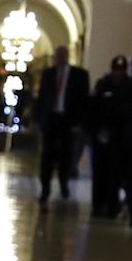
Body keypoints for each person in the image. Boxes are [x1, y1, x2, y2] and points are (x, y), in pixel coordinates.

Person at [34, 45, 91, 206]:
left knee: (66, 155)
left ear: (67, 56)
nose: (59, 58)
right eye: (57, 55)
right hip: (51, 119)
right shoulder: (48, 74)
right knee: (47, 156)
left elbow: (84, 101)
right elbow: (42, 97)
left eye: (62, 55)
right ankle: (45, 190)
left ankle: (64, 182)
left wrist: (79, 122)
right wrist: (38, 119)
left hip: (68, 121)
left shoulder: (79, 75)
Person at [90, 54, 132, 217]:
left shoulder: (130, 86)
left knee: (115, 174)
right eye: (116, 69)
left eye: (121, 70)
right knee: (99, 172)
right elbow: (95, 109)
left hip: (119, 137)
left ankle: (113, 206)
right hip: (101, 136)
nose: (118, 73)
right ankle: (98, 204)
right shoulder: (103, 84)